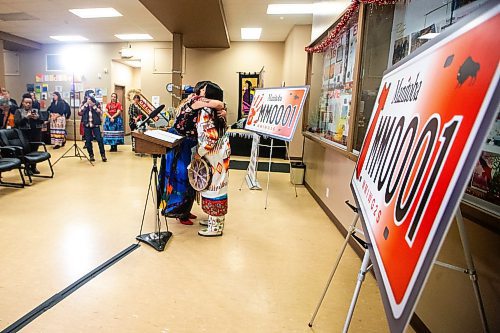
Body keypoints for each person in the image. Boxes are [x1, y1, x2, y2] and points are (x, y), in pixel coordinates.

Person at [158, 81, 226, 225]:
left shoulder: (203, 104)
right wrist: (222, 106)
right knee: (179, 176)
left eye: (204, 89)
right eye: (202, 89)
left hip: (190, 143)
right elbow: (218, 104)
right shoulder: (196, 100)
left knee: (190, 178)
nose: (202, 90)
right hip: (179, 142)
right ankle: (177, 211)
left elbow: (218, 106)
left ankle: (185, 210)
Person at [193, 82, 230, 237]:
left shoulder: (206, 111)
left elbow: (210, 138)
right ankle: (214, 219)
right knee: (219, 185)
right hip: (221, 153)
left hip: (213, 154)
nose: (200, 91)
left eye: (203, 90)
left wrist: (198, 153)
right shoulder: (217, 109)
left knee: (214, 187)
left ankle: (215, 227)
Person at [14, 93, 44, 174]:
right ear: (23, 103)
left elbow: (42, 121)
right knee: (26, 152)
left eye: (30, 103)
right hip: (24, 135)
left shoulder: (36, 110)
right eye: (26, 103)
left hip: (36, 134)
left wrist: (37, 118)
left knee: (35, 151)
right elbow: (17, 123)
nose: (28, 104)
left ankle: (33, 167)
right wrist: (26, 117)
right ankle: (27, 168)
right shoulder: (18, 111)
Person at [79, 96, 107, 162]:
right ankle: (91, 155)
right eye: (87, 99)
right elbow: (80, 111)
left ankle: (103, 155)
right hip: (87, 125)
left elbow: (100, 112)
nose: (89, 100)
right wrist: (86, 105)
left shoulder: (97, 103)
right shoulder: (84, 104)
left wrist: (93, 106)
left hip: (95, 125)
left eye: (90, 99)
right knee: (88, 141)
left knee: (99, 140)